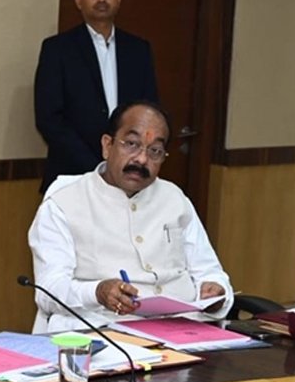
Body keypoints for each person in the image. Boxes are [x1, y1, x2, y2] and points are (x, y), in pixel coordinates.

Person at [28, 101, 232, 331]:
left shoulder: (175, 198)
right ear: (107, 145)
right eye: (132, 144)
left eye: (155, 151)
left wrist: (216, 292)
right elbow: (48, 291)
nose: (142, 159)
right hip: (104, 332)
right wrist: (97, 292)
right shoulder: (64, 201)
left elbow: (210, 272)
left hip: (185, 331)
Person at [34, 0, 159, 193]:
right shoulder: (58, 49)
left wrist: (126, 159)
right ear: (79, 0)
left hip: (130, 174)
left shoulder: (138, 50)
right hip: (73, 174)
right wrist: (98, 167)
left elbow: (149, 110)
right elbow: (49, 118)